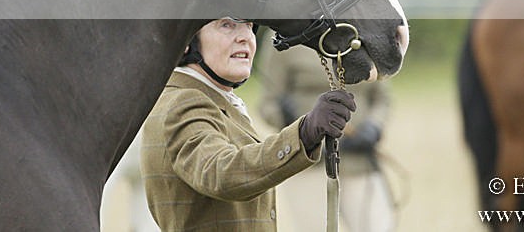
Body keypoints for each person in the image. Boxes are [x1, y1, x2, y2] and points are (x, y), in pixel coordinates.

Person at [140, 18, 356, 232]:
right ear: (187, 41)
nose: (245, 37)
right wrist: (304, 133)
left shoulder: (209, 98)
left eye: (249, 26)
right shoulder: (183, 102)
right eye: (227, 25)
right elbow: (221, 173)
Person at [258, 38, 396, 232]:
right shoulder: (284, 35)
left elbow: (382, 97)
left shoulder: (362, 29)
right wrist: (292, 123)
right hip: (308, 165)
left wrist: (373, 127)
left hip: (359, 161)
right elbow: (268, 103)